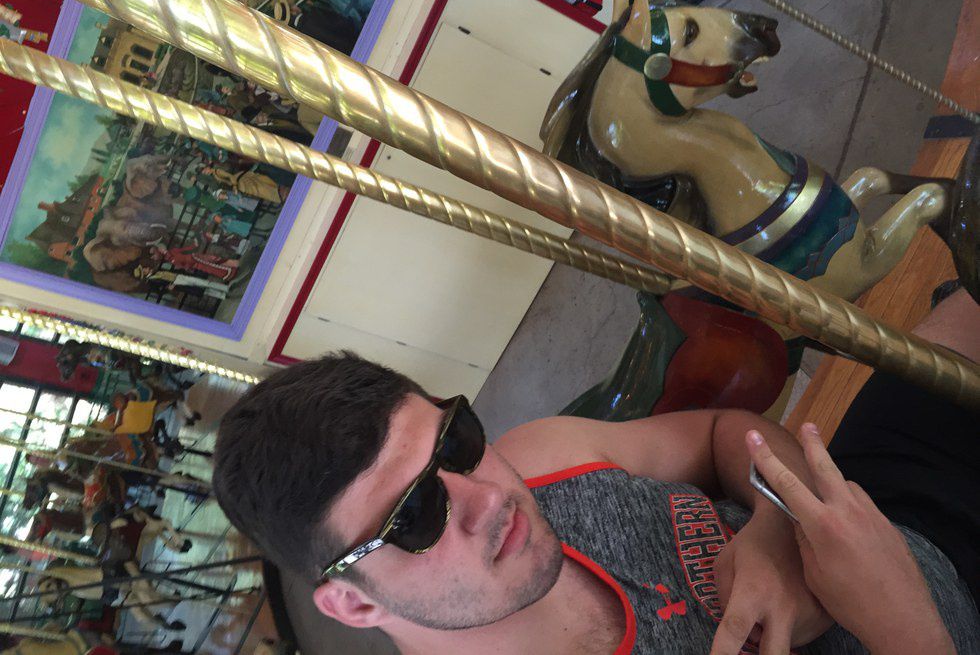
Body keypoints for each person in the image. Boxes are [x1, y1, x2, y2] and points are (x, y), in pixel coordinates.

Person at [212, 290, 980, 654]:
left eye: (456, 443)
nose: (488, 497)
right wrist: (902, 619)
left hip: (889, 501)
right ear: (352, 601)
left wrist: (777, 520)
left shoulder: (543, 459)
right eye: (413, 516)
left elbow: (720, 433)